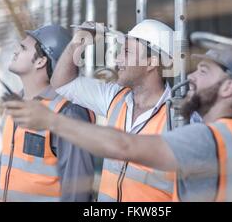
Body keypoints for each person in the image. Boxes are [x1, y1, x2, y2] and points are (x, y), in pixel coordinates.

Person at [4, 45, 232, 202]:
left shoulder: (205, 138)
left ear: (229, 87)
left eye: (204, 71)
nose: (192, 77)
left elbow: (124, 145)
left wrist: (51, 120)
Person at [48, 19, 198, 202]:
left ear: (151, 62)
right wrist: (79, 40)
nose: (118, 59)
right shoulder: (114, 98)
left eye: (126, 52)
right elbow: (61, 83)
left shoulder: (180, 118)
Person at [0, 24, 95, 202]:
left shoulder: (67, 113)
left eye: (23, 47)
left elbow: (77, 191)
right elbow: (2, 166)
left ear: (41, 61)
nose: (16, 50)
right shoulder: (14, 104)